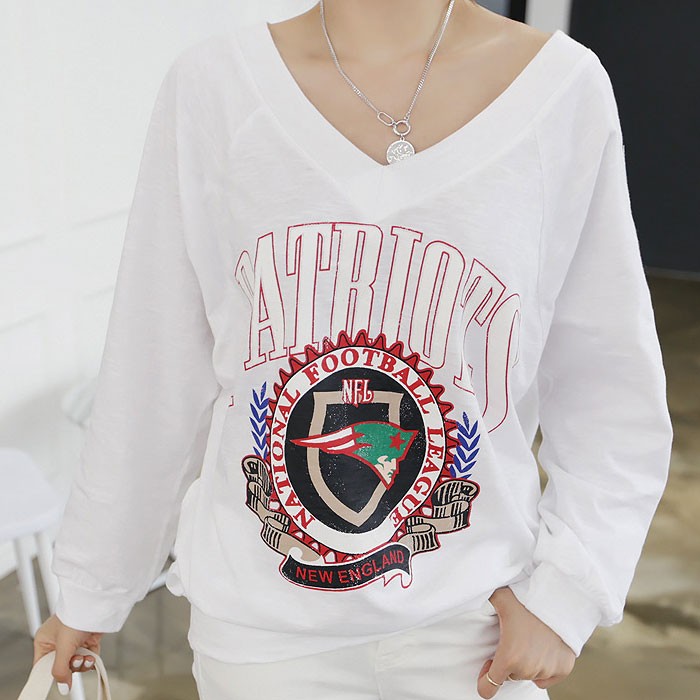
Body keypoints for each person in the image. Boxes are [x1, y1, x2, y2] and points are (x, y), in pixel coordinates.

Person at [31, 1, 673, 698]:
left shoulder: (562, 91)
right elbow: (154, 366)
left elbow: (610, 385)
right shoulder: (213, 87)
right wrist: (94, 584)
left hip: (477, 627)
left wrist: (566, 594)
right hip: (262, 637)